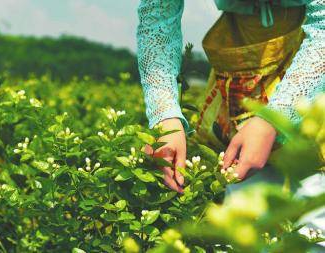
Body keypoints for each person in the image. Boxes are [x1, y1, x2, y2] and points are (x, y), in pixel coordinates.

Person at [137, 0, 324, 245]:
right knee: (244, 230)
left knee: (316, 225)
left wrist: (275, 117)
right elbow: (157, 14)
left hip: (315, 69)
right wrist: (165, 115)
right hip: (246, 60)